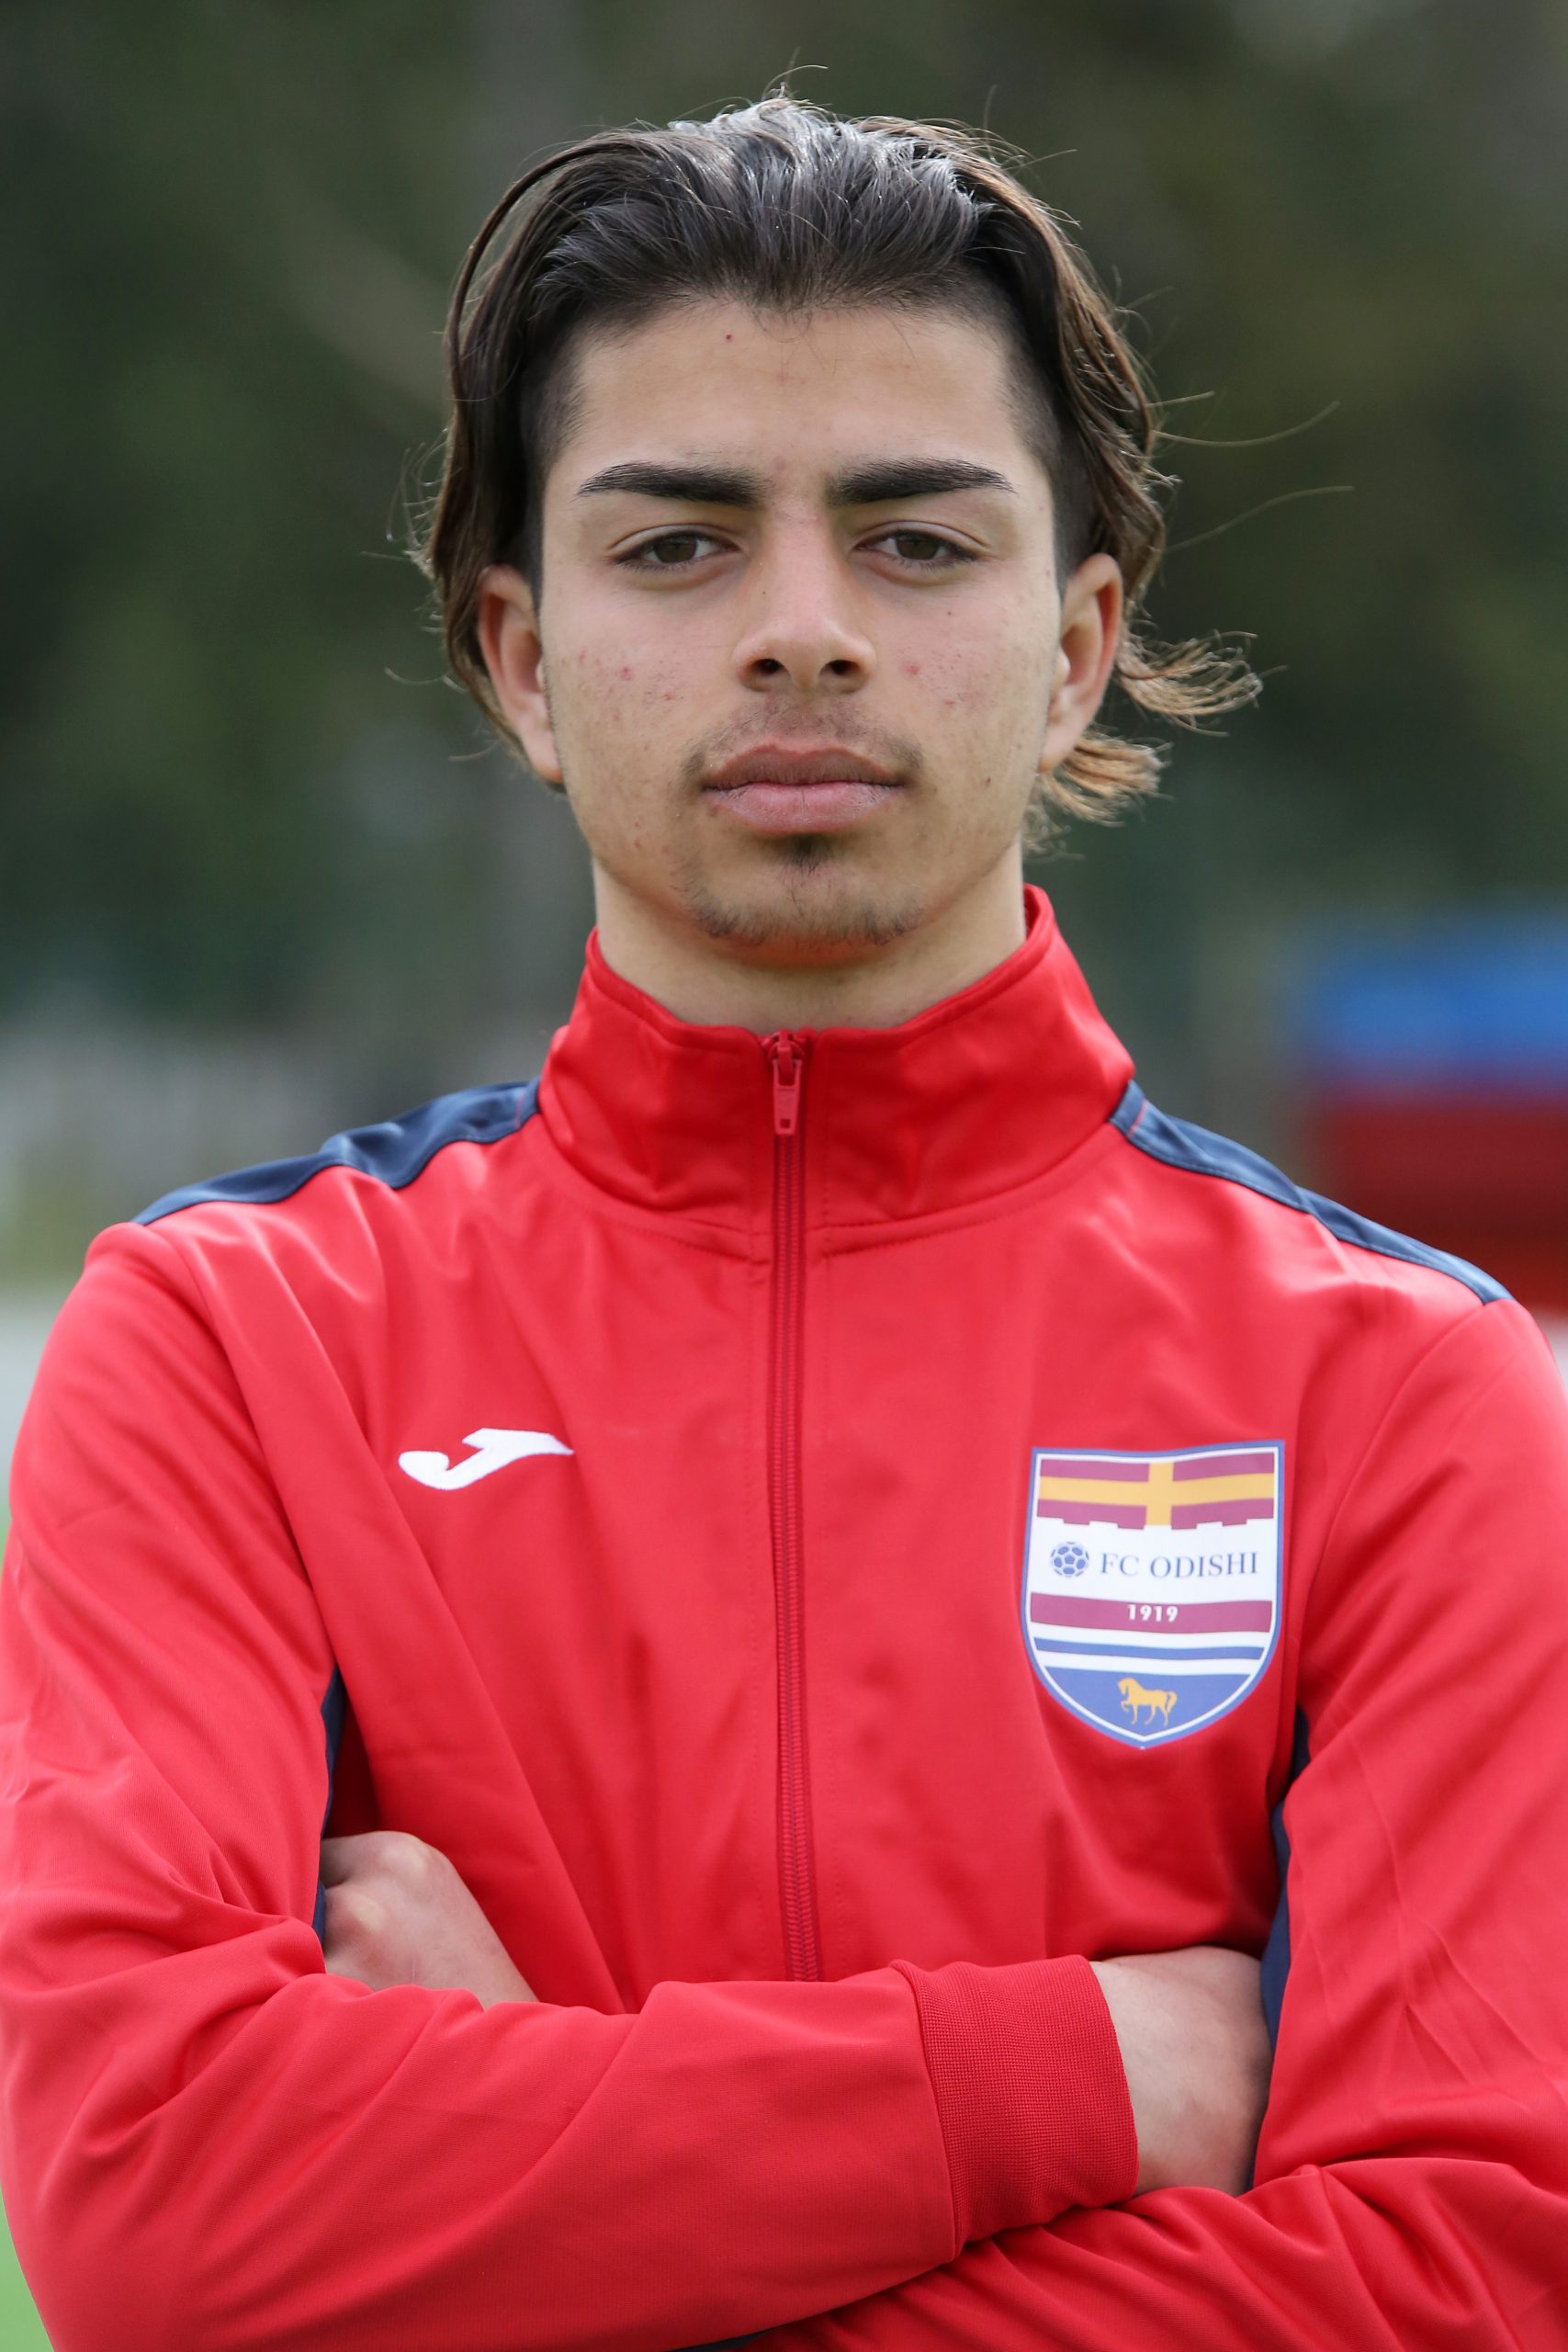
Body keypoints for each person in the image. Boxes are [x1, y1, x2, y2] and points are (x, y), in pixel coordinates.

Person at [2, 96, 1565, 2352]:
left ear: (1075, 641)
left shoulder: (1398, 1392)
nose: (803, 631)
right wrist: (1070, 2071)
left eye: (915, 541)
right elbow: (153, 2208)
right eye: (678, 545)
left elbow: (1460, 2285)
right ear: (518, 657)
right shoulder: (235, 1344)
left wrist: (509, 2192)